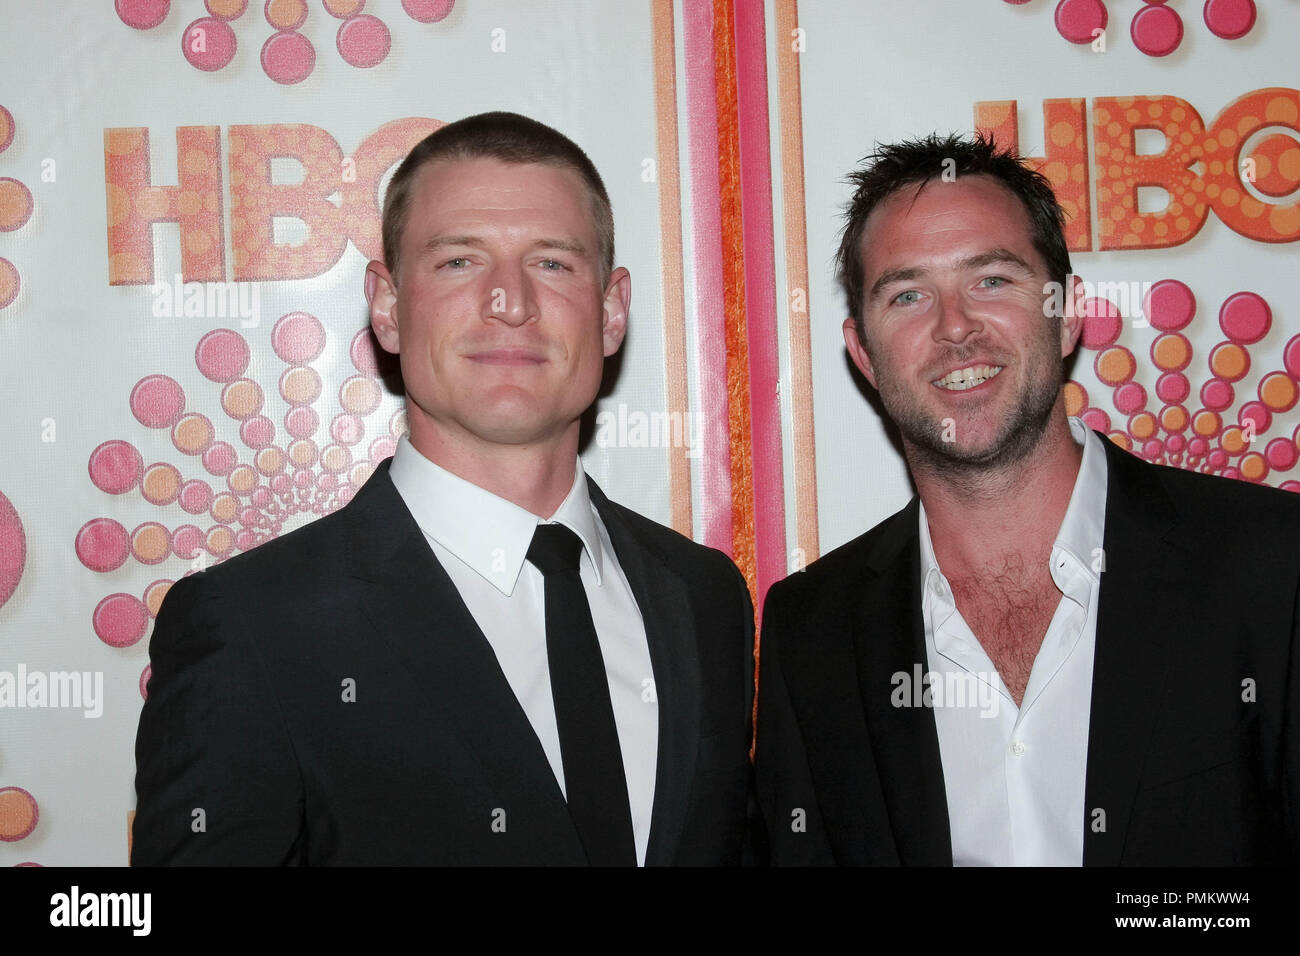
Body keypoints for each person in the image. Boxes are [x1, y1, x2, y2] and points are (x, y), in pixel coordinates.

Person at [133, 111, 755, 866]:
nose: (510, 301)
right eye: (460, 262)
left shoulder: (703, 597)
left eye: (553, 263)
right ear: (389, 308)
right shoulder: (253, 628)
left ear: (612, 310)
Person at [754, 133, 1300, 866]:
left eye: (992, 280)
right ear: (864, 355)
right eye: (909, 294)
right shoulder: (812, 631)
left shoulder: (1270, 566)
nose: (954, 327)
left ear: (1069, 311)